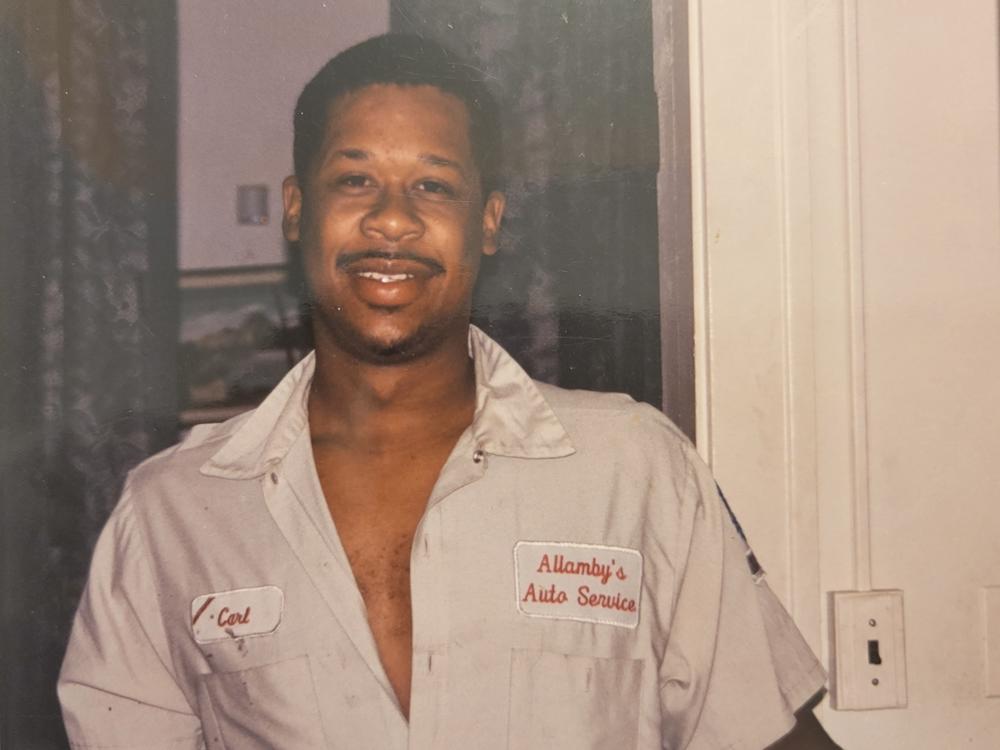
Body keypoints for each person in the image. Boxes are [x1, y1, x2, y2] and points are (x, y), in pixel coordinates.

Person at [58, 33, 841, 749]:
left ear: (489, 221)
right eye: (355, 179)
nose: (391, 219)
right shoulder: (170, 514)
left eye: (432, 186)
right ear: (297, 210)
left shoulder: (632, 470)